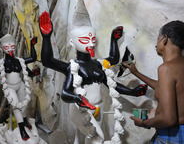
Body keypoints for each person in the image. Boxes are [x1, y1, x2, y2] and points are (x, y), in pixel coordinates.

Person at [39, 11, 148, 143]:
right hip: (81, 110)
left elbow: (112, 63)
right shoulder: (72, 67)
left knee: (81, 139)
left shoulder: (97, 64)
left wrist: (132, 92)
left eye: (92, 39)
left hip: (99, 107)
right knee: (97, 138)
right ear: (73, 43)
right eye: (85, 40)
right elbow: (49, 63)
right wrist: (46, 37)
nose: (90, 43)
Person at [122, 20, 184, 144]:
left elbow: (169, 119)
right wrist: (136, 72)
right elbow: (166, 88)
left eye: (158, 38)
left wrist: (144, 123)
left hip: (172, 137)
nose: (155, 45)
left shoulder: (167, 68)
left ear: (165, 39)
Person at [0, 34, 40, 140]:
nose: (9, 48)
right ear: (2, 48)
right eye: (6, 47)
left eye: (11, 46)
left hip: (20, 84)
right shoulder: (1, 64)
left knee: (23, 106)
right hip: (9, 88)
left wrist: (32, 45)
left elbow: (32, 59)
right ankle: (22, 129)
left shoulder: (19, 61)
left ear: (15, 46)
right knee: (16, 106)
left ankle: (24, 123)